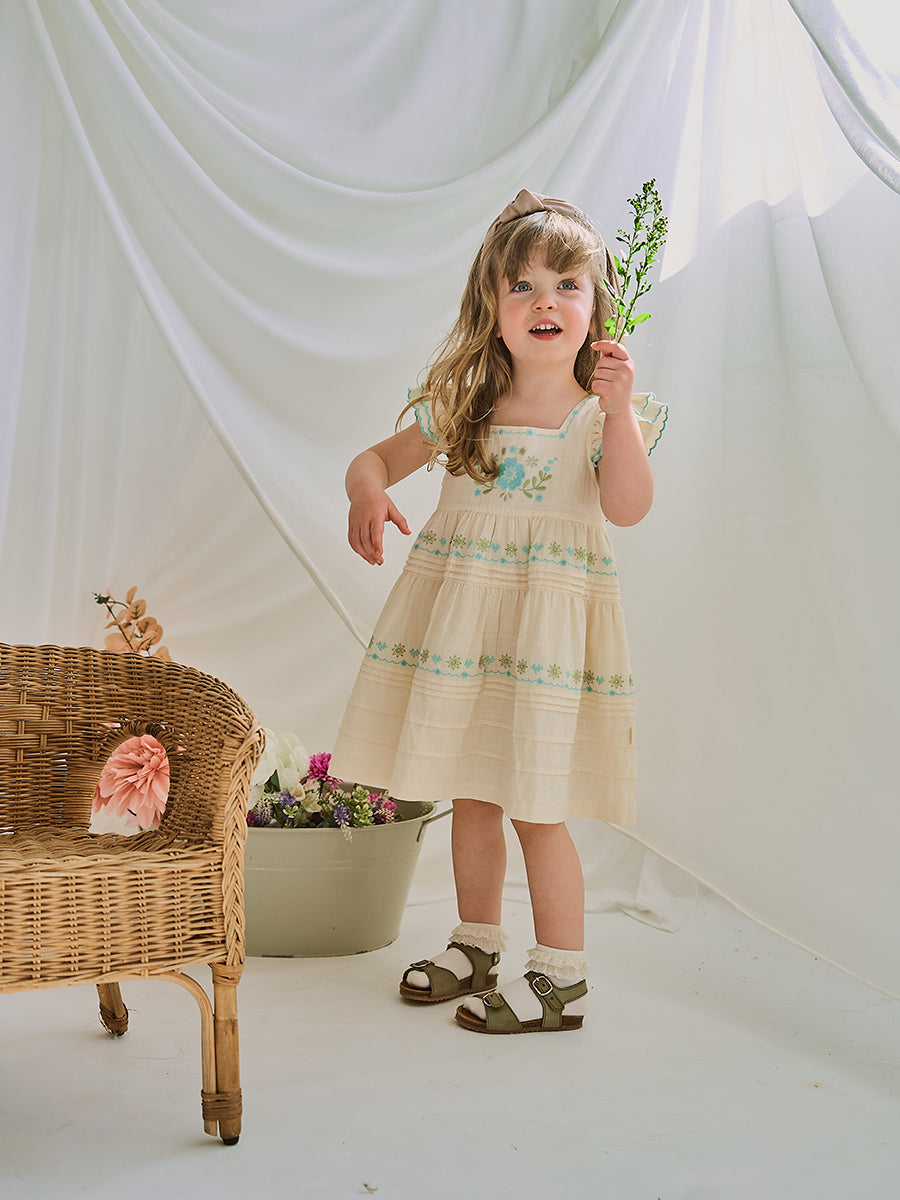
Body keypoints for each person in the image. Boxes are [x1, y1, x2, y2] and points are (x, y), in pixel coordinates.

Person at [330, 189, 667, 1034]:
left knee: (535, 806)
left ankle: (560, 975)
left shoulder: (598, 417)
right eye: (522, 286)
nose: (545, 301)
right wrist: (367, 492)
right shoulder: (466, 403)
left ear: (596, 307)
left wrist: (619, 412)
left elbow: (627, 508)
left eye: (566, 285)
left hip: (543, 639)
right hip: (464, 634)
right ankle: (476, 942)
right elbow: (372, 459)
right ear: (492, 305)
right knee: (472, 793)